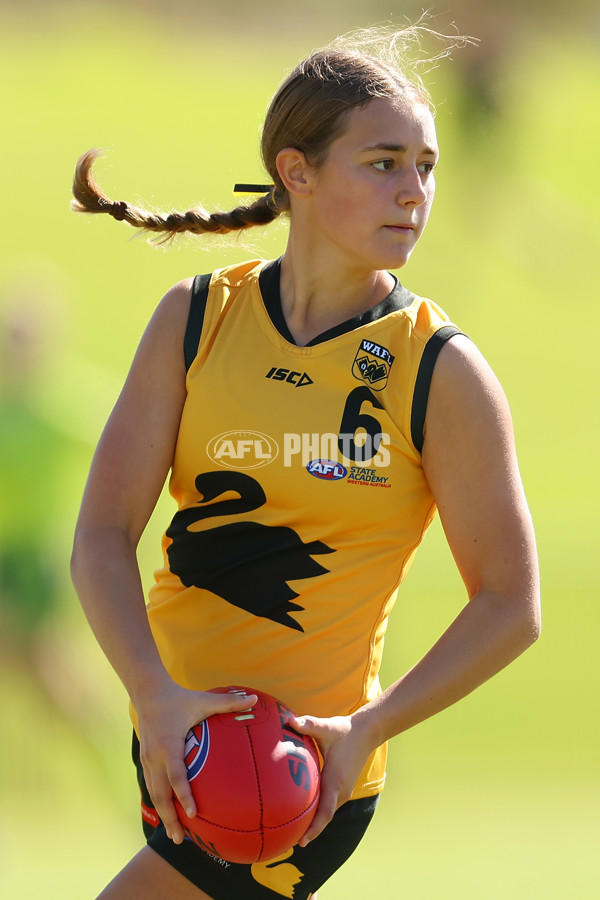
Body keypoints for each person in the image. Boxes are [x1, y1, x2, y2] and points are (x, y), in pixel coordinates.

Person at [70, 22, 541, 900]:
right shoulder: (197, 317)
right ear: (298, 172)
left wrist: (369, 726)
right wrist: (153, 695)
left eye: (427, 167)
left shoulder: (439, 369)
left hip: (296, 781)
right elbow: (101, 533)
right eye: (383, 163)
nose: (414, 192)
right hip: (176, 749)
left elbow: (512, 605)